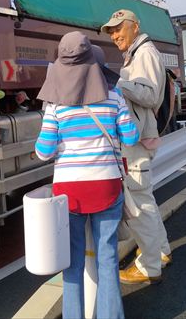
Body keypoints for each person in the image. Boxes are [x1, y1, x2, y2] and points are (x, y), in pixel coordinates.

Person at [34, 31, 139, 319]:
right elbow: (131, 137)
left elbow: (43, 152)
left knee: (72, 262)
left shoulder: (55, 106)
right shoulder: (114, 97)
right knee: (107, 258)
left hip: (70, 194)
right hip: (107, 188)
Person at [101, 9, 171, 285]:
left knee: (139, 204)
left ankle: (149, 266)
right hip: (140, 138)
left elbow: (150, 95)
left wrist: (117, 82)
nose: (114, 35)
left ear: (135, 26)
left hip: (137, 141)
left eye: (119, 28)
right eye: (111, 31)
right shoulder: (137, 54)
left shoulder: (145, 54)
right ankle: (161, 251)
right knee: (145, 199)